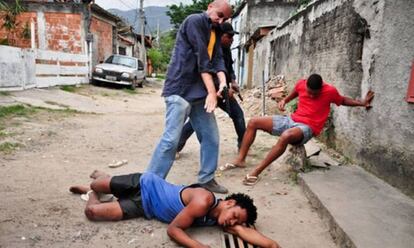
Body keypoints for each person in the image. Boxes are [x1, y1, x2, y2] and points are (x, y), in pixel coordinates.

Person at [223, 74, 375, 185]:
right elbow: (295, 92)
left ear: (321, 88)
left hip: (308, 128)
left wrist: (361, 103)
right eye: (308, 91)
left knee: (286, 136)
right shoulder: (302, 84)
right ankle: (240, 159)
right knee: (253, 122)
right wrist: (284, 100)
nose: (309, 95)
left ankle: (257, 171)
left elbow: (343, 100)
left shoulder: (330, 91)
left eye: (313, 93)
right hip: (291, 120)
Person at [146, 0, 233, 194]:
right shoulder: (195, 21)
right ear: (210, 6)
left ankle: (206, 179)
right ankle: (150, 185)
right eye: (219, 15)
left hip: (200, 93)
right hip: (181, 89)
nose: (221, 21)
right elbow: (202, 59)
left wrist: (223, 83)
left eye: (225, 18)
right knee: (170, 140)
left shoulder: (216, 30)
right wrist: (212, 92)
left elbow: (218, 59)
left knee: (211, 137)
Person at [69, 170, 280, 248]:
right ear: (229, 202)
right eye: (234, 216)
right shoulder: (204, 200)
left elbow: (260, 239)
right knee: (98, 184)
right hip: (144, 184)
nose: (231, 223)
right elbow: (174, 230)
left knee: (92, 213)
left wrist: (272, 245)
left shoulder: (222, 219)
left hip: (142, 206)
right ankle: (97, 180)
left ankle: (92, 193)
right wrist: (197, 246)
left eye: (236, 222)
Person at [176, 22, 246, 155]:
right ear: (220, 36)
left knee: (238, 116)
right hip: (208, 93)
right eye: (228, 36)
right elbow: (205, 72)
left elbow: (228, 68)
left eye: (232, 37)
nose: (232, 40)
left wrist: (233, 81)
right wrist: (221, 87)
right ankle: (176, 147)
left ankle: (242, 146)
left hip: (223, 91)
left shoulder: (226, 50)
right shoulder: (209, 49)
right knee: (196, 121)